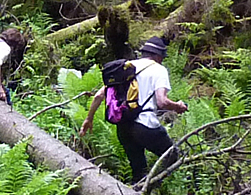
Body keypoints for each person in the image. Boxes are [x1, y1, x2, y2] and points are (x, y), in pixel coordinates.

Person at [80, 36, 188, 183]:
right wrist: (178, 106)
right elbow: (162, 102)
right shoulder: (159, 69)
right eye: (162, 57)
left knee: (138, 171)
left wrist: (88, 119)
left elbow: (99, 95)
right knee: (173, 156)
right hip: (145, 126)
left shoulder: (125, 67)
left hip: (123, 127)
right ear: (157, 56)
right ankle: (156, 185)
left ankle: (140, 191)